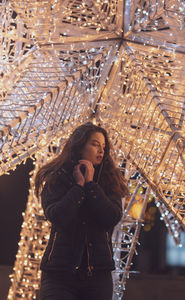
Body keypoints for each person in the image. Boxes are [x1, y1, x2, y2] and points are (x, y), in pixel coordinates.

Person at [35, 122, 129, 300]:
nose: (101, 150)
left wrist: (91, 185)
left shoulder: (110, 180)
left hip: (97, 276)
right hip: (60, 274)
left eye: (103, 146)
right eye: (95, 144)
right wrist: (78, 187)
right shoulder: (58, 178)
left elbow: (111, 217)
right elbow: (57, 216)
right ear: (79, 147)